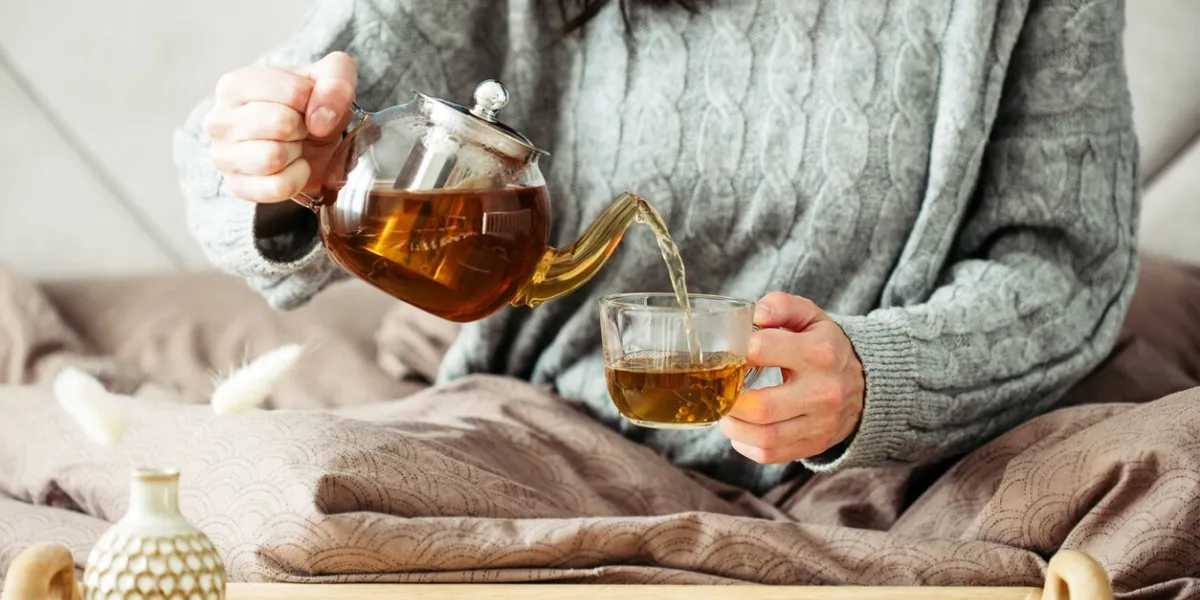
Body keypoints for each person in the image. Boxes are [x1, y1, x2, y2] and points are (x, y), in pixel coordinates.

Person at [174, 0, 1139, 493]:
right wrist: (276, 159)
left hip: (887, 477)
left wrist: (878, 381)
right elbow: (273, 145)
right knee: (268, 483)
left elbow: (1064, 260)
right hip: (541, 437)